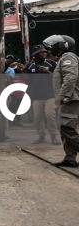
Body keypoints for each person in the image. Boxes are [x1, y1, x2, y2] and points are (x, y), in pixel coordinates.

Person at [43, 35, 79, 167]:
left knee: (67, 127)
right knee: (65, 127)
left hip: (71, 98)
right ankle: (70, 157)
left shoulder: (68, 57)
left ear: (62, 46)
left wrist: (62, 96)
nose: (50, 49)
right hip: (68, 99)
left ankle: (71, 155)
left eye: (53, 46)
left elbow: (71, 77)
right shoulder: (64, 58)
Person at [26, 45, 59, 145]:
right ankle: (41, 136)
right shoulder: (29, 66)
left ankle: (54, 136)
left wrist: (47, 71)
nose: (44, 53)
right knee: (37, 117)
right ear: (36, 55)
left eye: (45, 52)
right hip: (36, 95)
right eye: (41, 52)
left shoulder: (51, 63)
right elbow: (28, 80)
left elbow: (58, 78)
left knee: (50, 115)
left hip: (50, 95)